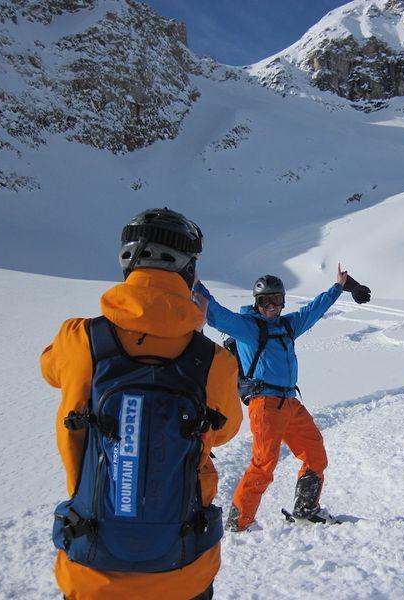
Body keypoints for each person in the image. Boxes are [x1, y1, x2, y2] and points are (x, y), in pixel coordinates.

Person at [41, 208, 242, 599]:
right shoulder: (214, 361)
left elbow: (49, 369)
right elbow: (225, 431)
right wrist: (191, 334)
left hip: (91, 572)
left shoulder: (80, 339)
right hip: (183, 570)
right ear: (188, 270)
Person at [194, 265, 371, 531]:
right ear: (256, 302)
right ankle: (239, 523)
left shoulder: (287, 326)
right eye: (265, 301)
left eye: (276, 300)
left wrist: (338, 287)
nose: (271, 307)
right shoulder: (248, 328)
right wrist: (194, 284)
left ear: (283, 301)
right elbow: (215, 313)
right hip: (264, 404)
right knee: (263, 465)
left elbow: (312, 311)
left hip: (290, 403)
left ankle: (306, 509)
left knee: (315, 454)